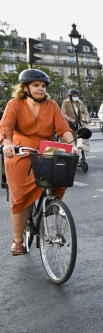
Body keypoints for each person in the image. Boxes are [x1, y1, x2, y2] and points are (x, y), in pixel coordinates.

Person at [1, 69, 76, 256]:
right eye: (36, 85)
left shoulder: (51, 105)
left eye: (43, 86)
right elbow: (6, 127)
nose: (41, 89)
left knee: (61, 173)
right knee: (20, 198)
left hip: (45, 148)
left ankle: (52, 204)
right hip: (20, 149)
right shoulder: (15, 104)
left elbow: (63, 127)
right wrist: (8, 144)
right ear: (25, 88)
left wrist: (72, 144)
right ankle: (18, 240)